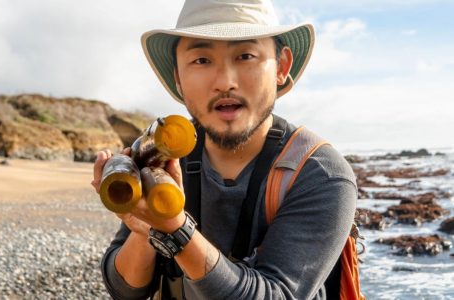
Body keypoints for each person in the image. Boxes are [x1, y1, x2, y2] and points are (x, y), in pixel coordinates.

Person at [91, 0, 358, 299]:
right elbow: (124, 290)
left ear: (282, 66)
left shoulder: (319, 173)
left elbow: (278, 294)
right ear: (178, 77)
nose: (225, 82)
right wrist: (145, 231)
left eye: (245, 55)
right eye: (202, 60)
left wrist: (174, 230)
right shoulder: (165, 155)